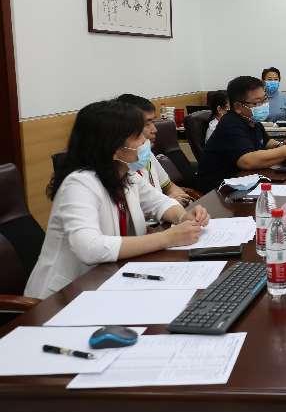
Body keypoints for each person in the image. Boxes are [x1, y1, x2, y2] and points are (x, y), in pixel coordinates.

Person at [24, 101, 209, 299]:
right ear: (113, 146)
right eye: (137, 136)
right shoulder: (79, 183)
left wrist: (183, 217)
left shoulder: (125, 174)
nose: (145, 140)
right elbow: (89, 247)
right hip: (63, 296)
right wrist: (167, 238)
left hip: (109, 280)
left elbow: (160, 202)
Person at [198, 76, 286, 192]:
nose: (263, 105)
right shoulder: (230, 124)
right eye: (257, 102)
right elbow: (247, 161)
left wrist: (280, 145)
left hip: (244, 181)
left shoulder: (252, 121)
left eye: (264, 100)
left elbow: (266, 142)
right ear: (238, 107)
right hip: (218, 189)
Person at [115, 94, 192, 206]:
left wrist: (177, 201)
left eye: (153, 122)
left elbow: (170, 187)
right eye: (147, 124)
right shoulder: (122, 169)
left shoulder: (146, 153)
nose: (154, 129)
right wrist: (168, 203)